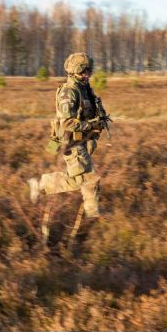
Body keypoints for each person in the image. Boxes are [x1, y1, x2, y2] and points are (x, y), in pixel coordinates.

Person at [28, 52, 106, 218]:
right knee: (88, 180)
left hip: (82, 140)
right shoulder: (69, 92)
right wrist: (91, 125)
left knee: (83, 179)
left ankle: (92, 215)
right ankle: (93, 216)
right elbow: (67, 123)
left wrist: (94, 132)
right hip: (72, 143)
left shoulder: (84, 88)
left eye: (90, 70)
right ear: (75, 71)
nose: (89, 73)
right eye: (85, 70)